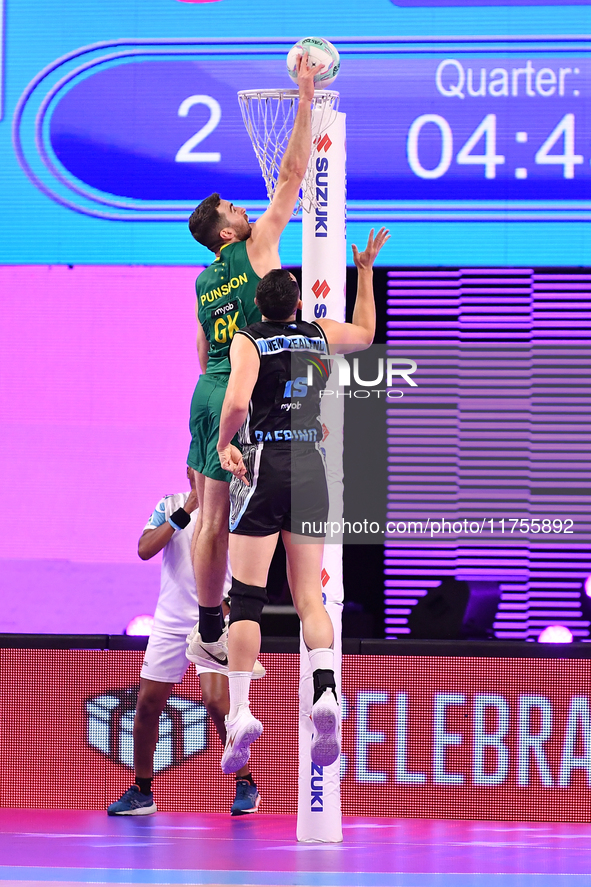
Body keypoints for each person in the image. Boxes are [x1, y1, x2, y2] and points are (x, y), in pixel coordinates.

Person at [215, 228, 390, 774]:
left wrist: (224, 445)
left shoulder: (247, 340)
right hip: (312, 466)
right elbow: (364, 333)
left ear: (259, 307)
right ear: (297, 303)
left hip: (264, 464)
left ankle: (241, 711)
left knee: (245, 597)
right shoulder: (316, 334)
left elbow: (238, 402)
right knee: (310, 598)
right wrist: (363, 271)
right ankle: (326, 692)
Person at [185, 51, 318, 672]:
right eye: (236, 209)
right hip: (245, 391)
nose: (245, 208)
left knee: (209, 516)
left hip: (206, 390)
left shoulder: (202, 281)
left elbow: (200, 351)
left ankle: (209, 626)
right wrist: (305, 98)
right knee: (237, 527)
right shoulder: (256, 246)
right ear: (228, 234)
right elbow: (292, 174)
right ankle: (224, 631)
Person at [107, 468, 264, 817]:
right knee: (147, 704)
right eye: (196, 466)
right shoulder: (170, 504)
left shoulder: (233, 507)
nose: (201, 472)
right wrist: (188, 509)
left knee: (216, 701)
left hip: (213, 616)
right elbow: (145, 549)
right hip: (169, 620)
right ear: (189, 471)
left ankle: (246, 784)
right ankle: (142, 791)